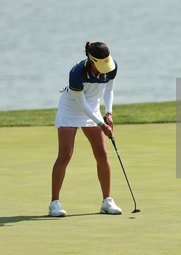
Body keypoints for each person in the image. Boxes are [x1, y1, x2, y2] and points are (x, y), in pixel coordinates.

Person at [49, 42, 122, 216]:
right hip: (71, 108)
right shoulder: (77, 72)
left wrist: (109, 114)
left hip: (93, 108)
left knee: (102, 153)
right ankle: (54, 203)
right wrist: (101, 124)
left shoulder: (111, 66)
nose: (105, 66)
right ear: (91, 59)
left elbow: (109, 90)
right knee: (65, 154)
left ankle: (107, 201)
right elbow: (81, 105)